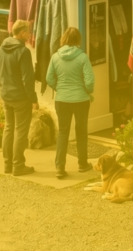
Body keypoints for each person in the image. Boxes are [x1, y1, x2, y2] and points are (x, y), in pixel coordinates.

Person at [47, 27, 95, 179]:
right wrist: (87, 91)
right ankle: (82, 164)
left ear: (63, 39)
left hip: (62, 100)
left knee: (63, 132)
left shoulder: (55, 57)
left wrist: (59, 88)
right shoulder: (82, 57)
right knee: (81, 131)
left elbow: (49, 78)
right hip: (81, 100)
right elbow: (90, 82)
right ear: (78, 40)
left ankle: (60, 168)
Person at [0, 19, 37, 176]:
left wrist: (5, 88)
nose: (30, 34)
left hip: (7, 96)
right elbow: (28, 79)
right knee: (20, 131)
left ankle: (7, 165)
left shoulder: (0, 50)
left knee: (8, 129)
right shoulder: (23, 52)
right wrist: (33, 99)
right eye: (28, 31)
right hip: (20, 98)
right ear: (22, 33)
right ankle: (18, 165)